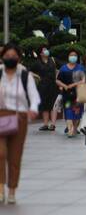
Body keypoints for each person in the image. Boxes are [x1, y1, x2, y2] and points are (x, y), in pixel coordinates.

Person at [0, 44, 40, 204]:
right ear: (3, 57)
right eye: (7, 55)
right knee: (0, 154)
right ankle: (0, 188)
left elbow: (34, 96)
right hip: (1, 115)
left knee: (15, 156)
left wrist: (33, 109)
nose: (10, 58)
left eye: (13, 55)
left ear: (19, 57)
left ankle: (12, 191)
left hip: (19, 117)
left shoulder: (24, 75)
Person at [56, 50, 85, 137]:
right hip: (67, 94)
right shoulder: (63, 68)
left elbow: (84, 80)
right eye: (71, 55)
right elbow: (57, 80)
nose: (73, 57)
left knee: (76, 113)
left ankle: (75, 129)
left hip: (78, 94)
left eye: (75, 55)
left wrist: (74, 84)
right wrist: (64, 85)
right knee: (68, 111)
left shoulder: (80, 68)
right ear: (68, 57)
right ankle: (70, 129)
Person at [31, 46, 59, 131]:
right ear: (41, 53)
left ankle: (53, 124)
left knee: (54, 104)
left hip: (53, 85)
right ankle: (45, 124)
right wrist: (37, 76)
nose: (46, 51)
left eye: (47, 49)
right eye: (44, 50)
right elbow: (29, 71)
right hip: (42, 86)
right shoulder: (37, 62)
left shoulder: (53, 60)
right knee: (44, 105)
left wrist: (57, 77)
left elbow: (59, 69)